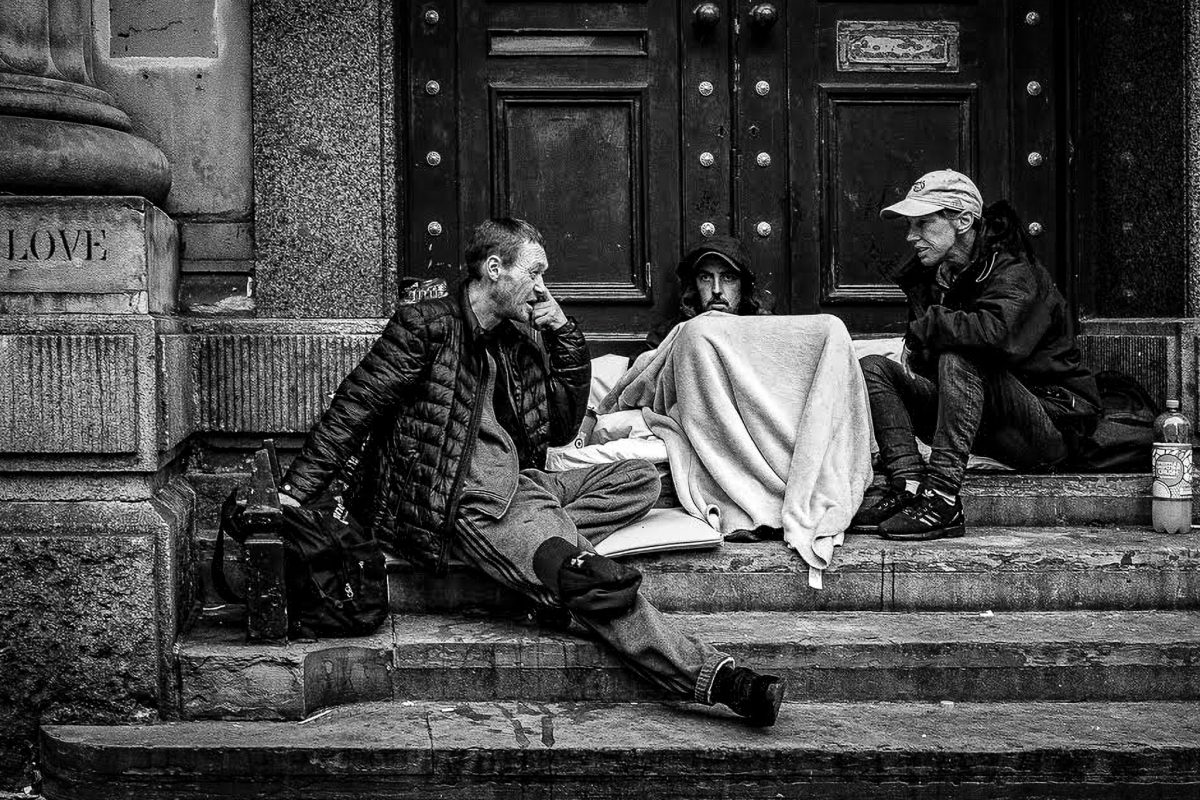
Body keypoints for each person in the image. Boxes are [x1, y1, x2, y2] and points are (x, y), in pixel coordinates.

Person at [278, 218, 785, 725]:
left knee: (641, 479)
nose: (543, 286)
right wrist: (294, 493)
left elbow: (561, 429)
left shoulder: (517, 334)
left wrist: (563, 334)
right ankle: (718, 677)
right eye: (535, 272)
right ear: (495, 270)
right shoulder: (424, 328)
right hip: (470, 501)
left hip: (523, 486)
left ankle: (534, 570)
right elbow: (354, 407)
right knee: (591, 582)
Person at [852, 170, 1099, 540]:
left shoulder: (1015, 270)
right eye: (909, 225)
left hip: (1046, 422)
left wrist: (933, 327)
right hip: (978, 419)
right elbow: (920, 358)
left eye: (922, 224)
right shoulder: (932, 276)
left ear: (964, 221)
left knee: (961, 355)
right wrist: (930, 334)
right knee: (873, 368)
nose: (910, 237)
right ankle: (909, 486)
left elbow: (999, 337)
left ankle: (943, 496)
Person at [643, 234, 771, 351]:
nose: (716, 290)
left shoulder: (765, 331)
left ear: (743, 285)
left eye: (728, 278)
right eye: (705, 278)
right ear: (694, 286)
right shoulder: (668, 336)